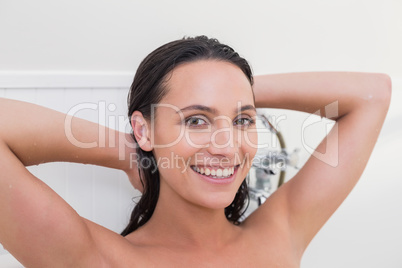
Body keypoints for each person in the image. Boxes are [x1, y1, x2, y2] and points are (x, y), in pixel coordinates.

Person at [0, 36, 391, 267]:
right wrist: (132, 152)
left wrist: (236, 88)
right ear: (143, 128)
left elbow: (372, 95)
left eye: (242, 121)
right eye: (196, 120)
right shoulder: (98, 258)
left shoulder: (279, 236)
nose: (227, 147)